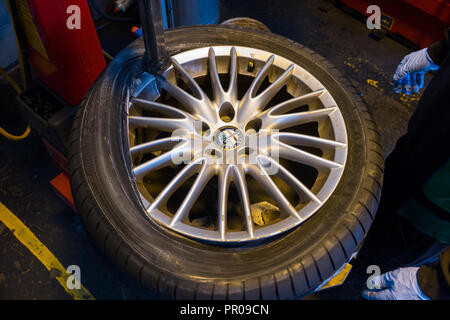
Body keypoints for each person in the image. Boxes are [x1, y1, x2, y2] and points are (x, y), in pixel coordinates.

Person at [361, 28, 450, 300]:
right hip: (418, 154)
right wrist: (441, 51)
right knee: (364, 236)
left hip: (436, 207)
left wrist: (438, 282)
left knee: (374, 275)